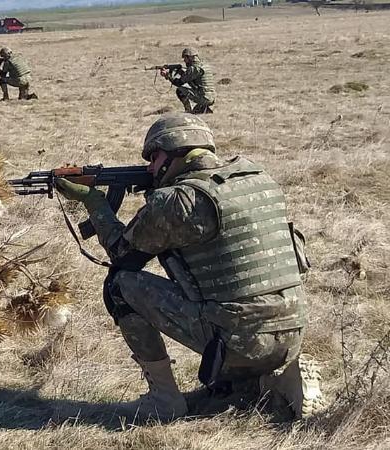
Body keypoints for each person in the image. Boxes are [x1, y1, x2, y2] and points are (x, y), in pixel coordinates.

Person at [54, 113, 324, 421]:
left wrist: (94, 203)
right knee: (234, 348)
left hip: (237, 341)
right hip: (291, 330)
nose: (150, 168)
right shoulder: (257, 178)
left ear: (172, 152)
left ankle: (164, 399)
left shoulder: (180, 200)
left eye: (153, 158)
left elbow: (122, 254)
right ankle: (274, 378)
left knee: (120, 285)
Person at [161, 47, 216, 114]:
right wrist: (180, 72)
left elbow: (178, 83)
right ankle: (204, 108)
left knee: (180, 90)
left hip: (204, 97)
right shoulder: (204, 65)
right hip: (211, 97)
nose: (184, 60)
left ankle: (188, 111)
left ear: (190, 57)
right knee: (197, 112)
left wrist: (168, 76)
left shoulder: (194, 68)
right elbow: (191, 79)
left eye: (185, 58)